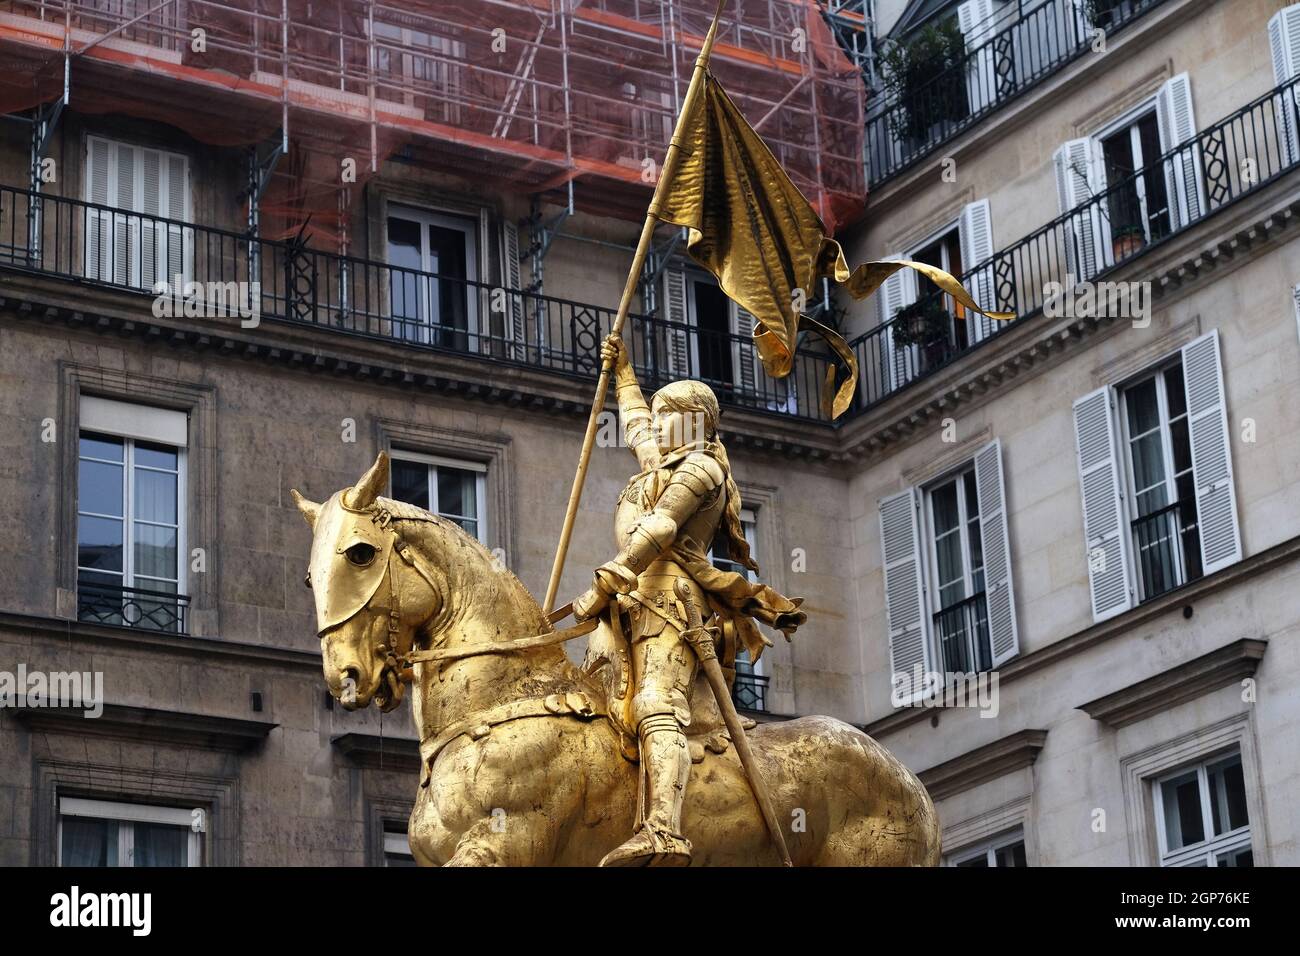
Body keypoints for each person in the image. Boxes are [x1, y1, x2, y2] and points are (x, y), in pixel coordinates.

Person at [574, 333, 806, 867]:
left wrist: (606, 581)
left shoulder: (702, 469)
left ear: (694, 420)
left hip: (668, 605)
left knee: (657, 704)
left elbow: (658, 529)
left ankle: (663, 830)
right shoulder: (660, 461)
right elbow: (632, 422)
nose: (654, 424)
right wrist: (623, 375)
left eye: (666, 415)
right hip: (629, 604)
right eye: (656, 415)